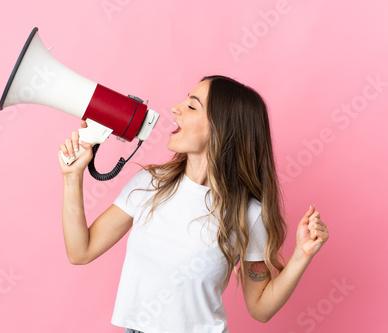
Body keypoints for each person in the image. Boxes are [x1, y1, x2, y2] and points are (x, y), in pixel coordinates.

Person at [58, 75, 329, 333]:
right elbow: (81, 252)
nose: (176, 109)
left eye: (191, 106)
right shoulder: (148, 184)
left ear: (222, 127)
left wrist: (301, 256)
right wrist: (72, 177)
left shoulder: (249, 214)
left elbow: (260, 308)